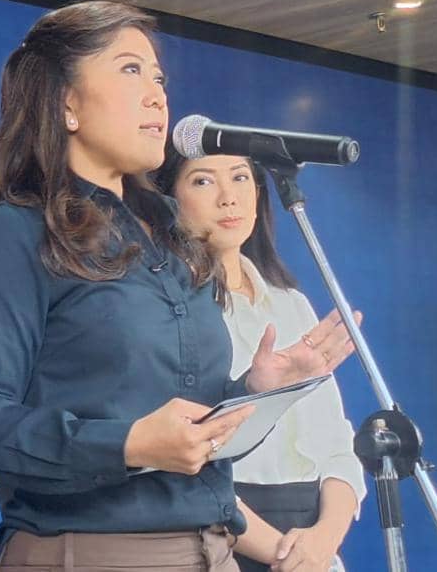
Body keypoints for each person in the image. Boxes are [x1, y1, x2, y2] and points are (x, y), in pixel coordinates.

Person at [0, 0, 354, 571]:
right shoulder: (14, 235)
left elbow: (191, 431)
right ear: (67, 103)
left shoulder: (175, 240)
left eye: (159, 78)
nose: (157, 95)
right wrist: (127, 445)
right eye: (131, 70)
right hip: (95, 554)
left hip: (214, 551)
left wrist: (257, 392)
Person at [155, 143, 366, 572]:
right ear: (168, 199)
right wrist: (285, 555)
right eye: (202, 181)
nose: (228, 197)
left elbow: (335, 443)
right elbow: (184, 463)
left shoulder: (291, 303)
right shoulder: (164, 310)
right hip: (218, 537)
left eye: (240, 177)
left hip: (313, 543)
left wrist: (323, 542)